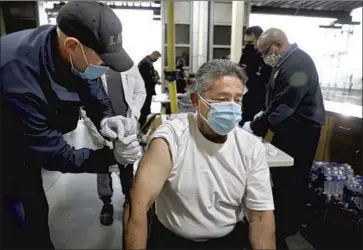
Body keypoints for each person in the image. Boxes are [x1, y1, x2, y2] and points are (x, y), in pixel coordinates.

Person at [0, 1, 142, 249]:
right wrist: (112, 157)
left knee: (35, 209)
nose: (104, 69)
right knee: (17, 221)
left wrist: (107, 118)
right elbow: (56, 156)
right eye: (102, 62)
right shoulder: (18, 77)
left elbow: (93, 90)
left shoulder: (70, 52)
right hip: (6, 148)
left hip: (27, 147)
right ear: (72, 46)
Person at [124, 59, 276, 249]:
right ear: (197, 101)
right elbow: (137, 207)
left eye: (237, 100)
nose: (232, 107)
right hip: (172, 240)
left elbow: (260, 216)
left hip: (227, 240)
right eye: (222, 99)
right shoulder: (171, 139)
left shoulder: (250, 147)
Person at [243, 28, 325, 247]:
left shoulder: (298, 63)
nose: (262, 57)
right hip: (289, 128)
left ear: (277, 45)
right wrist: (261, 115)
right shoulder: (285, 63)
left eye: (264, 52)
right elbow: (275, 100)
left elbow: (285, 105)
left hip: (302, 131)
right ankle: (277, 222)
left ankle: (286, 229)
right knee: (279, 176)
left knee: (292, 179)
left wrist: (255, 126)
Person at [97, 65, 146, 226]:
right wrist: (97, 127)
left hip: (126, 126)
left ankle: (129, 198)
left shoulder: (127, 66)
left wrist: (134, 114)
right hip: (100, 128)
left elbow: (140, 91)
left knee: (127, 164)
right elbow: (83, 102)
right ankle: (106, 203)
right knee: (103, 167)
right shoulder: (91, 65)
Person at [238, 26, 272, 126]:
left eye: (250, 43)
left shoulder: (266, 59)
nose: (248, 47)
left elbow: (264, 81)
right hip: (247, 98)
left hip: (258, 101)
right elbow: (241, 69)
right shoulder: (247, 54)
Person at [138, 51, 161, 127]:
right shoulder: (147, 63)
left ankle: (144, 122)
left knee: (145, 106)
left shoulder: (145, 61)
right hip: (146, 88)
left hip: (144, 88)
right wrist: (156, 81)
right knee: (146, 107)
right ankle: (144, 124)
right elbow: (148, 77)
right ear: (154, 55)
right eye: (157, 58)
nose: (157, 60)